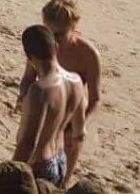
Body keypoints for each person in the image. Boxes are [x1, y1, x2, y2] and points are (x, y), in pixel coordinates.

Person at [13, 24, 88, 189]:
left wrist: (11, 175)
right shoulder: (76, 81)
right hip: (61, 160)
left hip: (39, 166)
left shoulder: (39, 91)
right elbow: (79, 134)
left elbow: (28, 143)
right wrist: (67, 176)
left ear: (29, 57)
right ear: (56, 47)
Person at [19, 0, 102, 121]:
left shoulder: (88, 55)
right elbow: (28, 79)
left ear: (73, 29)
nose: (53, 40)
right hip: (45, 107)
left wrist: (82, 125)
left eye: (59, 35)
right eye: (49, 33)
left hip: (73, 113)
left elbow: (95, 100)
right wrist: (25, 99)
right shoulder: (41, 46)